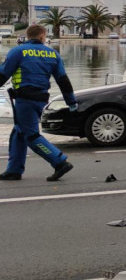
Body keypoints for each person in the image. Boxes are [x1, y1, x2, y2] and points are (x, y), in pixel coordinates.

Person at [0, 25, 78, 181]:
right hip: (41, 98)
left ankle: (59, 161)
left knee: (31, 135)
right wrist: (71, 101)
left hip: (24, 99)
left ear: (28, 36)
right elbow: (63, 80)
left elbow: (3, 74)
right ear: (42, 36)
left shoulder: (18, 51)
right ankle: (14, 169)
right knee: (19, 132)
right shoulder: (53, 54)